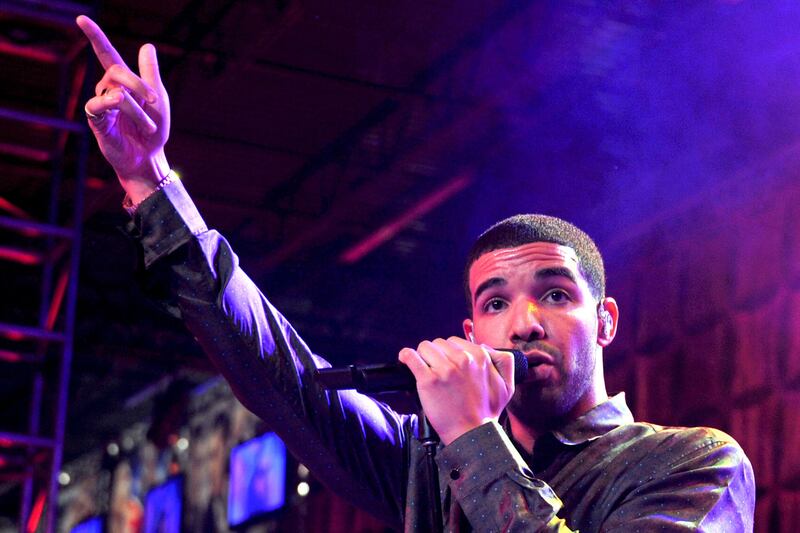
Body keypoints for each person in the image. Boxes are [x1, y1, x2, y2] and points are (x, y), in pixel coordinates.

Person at [76, 15, 755, 531]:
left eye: (554, 293)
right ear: (471, 330)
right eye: (495, 303)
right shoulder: (425, 466)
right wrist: (150, 180)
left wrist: (475, 439)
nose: (523, 323)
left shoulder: (691, 463)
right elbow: (278, 369)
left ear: (605, 320)